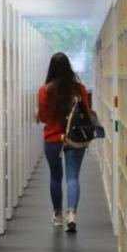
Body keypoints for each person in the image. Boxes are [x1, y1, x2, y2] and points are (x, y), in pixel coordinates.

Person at [36, 52, 90, 233]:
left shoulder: (44, 90)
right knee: (73, 177)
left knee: (55, 177)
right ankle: (72, 214)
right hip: (74, 139)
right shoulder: (79, 88)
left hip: (52, 139)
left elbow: (44, 118)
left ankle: (57, 215)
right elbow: (87, 114)